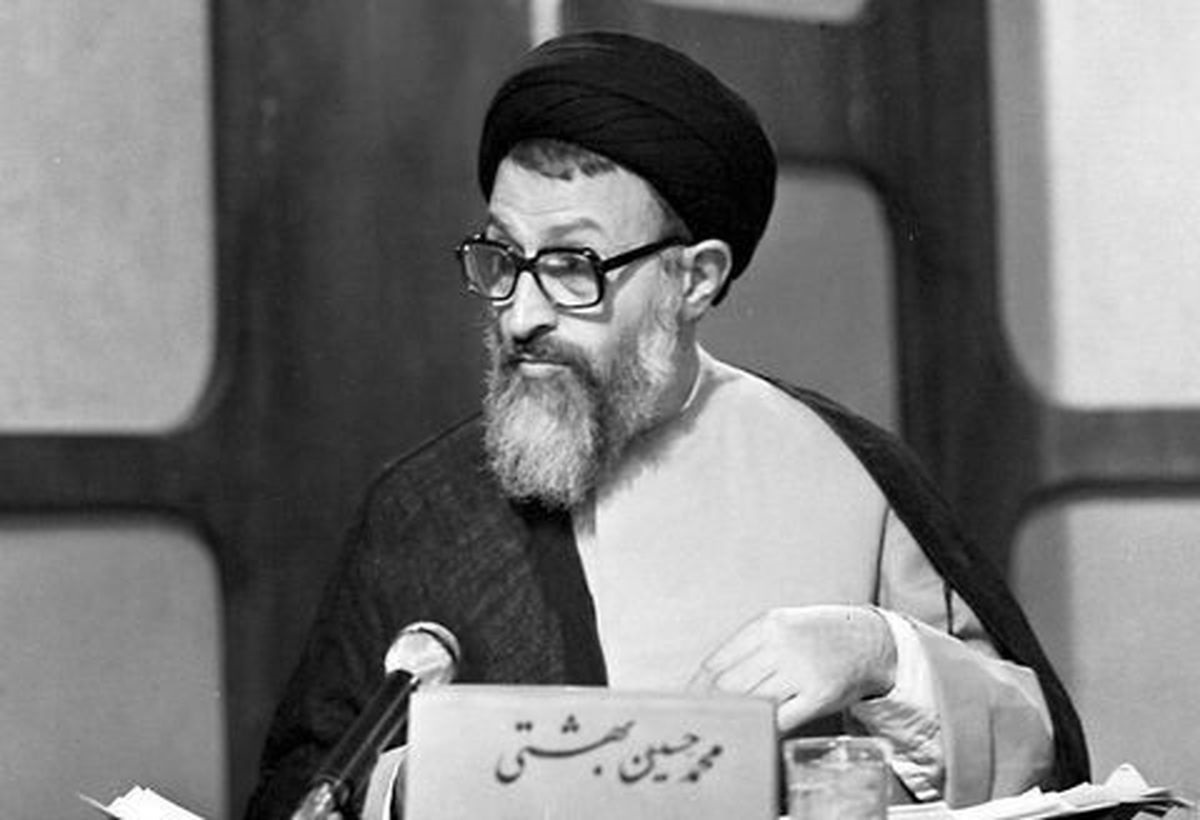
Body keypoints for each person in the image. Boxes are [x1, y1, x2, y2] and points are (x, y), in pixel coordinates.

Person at [245, 30, 1088, 820]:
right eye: (502, 258)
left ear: (694, 280)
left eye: (571, 265)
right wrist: (420, 784)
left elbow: (1035, 764)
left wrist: (881, 654)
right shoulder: (427, 510)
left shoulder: (848, 472)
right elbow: (305, 789)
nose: (521, 315)